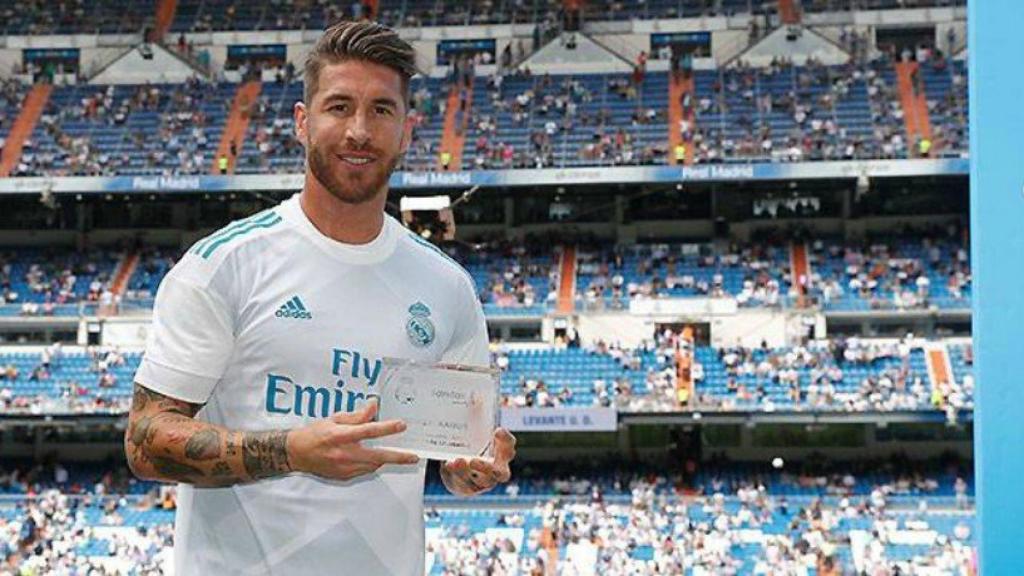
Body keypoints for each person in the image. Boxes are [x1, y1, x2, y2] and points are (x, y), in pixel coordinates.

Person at [125, 20, 516, 575]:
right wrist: (291, 451)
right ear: (303, 123)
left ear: (407, 131)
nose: (359, 130)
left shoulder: (446, 286)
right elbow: (144, 442)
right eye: (339, 107)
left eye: (382, 110)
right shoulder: (223, 265)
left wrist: (472, 467)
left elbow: (460, 457)